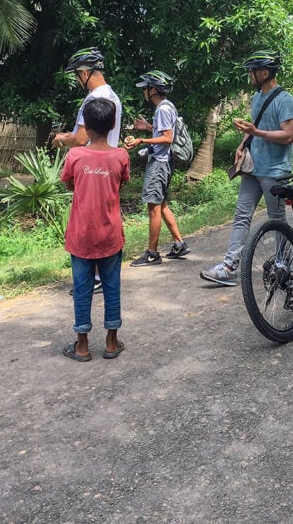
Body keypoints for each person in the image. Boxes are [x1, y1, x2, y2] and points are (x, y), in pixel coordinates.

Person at [200, 50, 293, 286]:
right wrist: (243, 143)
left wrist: (256, 133)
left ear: (264, 72)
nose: (250, 76)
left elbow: (288, 136)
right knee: (242, 216)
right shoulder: (256, 98)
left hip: (275, 171)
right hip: (253, 169)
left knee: (277, 219)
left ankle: (282, 263)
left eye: (252, 72)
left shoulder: (285, 100)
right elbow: (255, 126)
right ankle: (229, 267)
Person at [60, 98, 130, 361]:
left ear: (85, 127)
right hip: (110, 234)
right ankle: (112, 343)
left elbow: (68, 183)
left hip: (81, 235)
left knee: (82, 288)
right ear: (113, 124)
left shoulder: (75, 155)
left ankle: (82, 346)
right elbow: (120, 184)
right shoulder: (121, 156)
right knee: (112, 286)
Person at [53, 47, 123, 294]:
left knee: (87, 221)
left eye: (77, 75)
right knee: (106, 217)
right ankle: (102, 275)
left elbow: (82, 139)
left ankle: (90, 279)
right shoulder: (113, 97)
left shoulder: (93, 99)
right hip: (111, 164)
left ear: (84, 73)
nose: (77, 79)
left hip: (91, 165)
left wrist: (61, 139)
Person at [125, 70, 189, 266]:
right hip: (164, 162)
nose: (144, 91)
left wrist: (141, 139)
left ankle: (152, 253)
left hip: (159, 163)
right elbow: (163, 131)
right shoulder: (167, 106)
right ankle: (179, 244)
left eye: (145, 88)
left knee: (153, 207)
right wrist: (147, 127)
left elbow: (167, 138)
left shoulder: (162, 109)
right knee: (161, 204)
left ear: (153, 90)